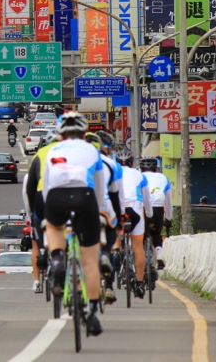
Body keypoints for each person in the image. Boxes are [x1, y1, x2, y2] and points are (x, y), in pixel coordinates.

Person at [42, 112, 107, 336]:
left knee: (53, 226)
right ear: (84, 133)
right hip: (85, 196)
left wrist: (49, 213)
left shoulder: (53, 151)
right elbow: (100, 188)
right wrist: (95, 212)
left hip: (56, 198)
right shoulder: (92, 151)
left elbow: (48, 187)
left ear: (61, 135)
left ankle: (58, 257)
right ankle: (90, 312)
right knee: (89, 261)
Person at [23, 127, 60, 293]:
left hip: (41, 199)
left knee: (36, 246)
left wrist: (31, 214)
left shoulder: (39, 156)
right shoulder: (71, 152)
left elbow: (28, 191)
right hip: (68, 197)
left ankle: (37, 281)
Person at [115, 150, 152, 300]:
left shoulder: (113, 173)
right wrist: (149, 214)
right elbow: (147, 199)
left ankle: (116, 250)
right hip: (136, 207)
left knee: (116, 231)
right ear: (132, 163)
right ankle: (139, 282)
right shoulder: (140, 175)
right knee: (138, 246)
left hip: (119, 208)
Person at [96, 130, 126, 304]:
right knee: (107, 246)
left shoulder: (79, 161)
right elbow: (117, 195)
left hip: (81, 207)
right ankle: (108, 286)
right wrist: (120, 218)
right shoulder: (113, 165)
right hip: (106, 209)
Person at [139, 156, 173, 270]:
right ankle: (159, 255)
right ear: (156, 168)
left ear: (141, 168)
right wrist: (168, 218)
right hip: (158, 207)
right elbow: (169, 201)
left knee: (141, 236)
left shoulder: (139, 176)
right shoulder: (163, 178)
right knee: (156, 234)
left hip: (142, 207)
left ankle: (140, 259)